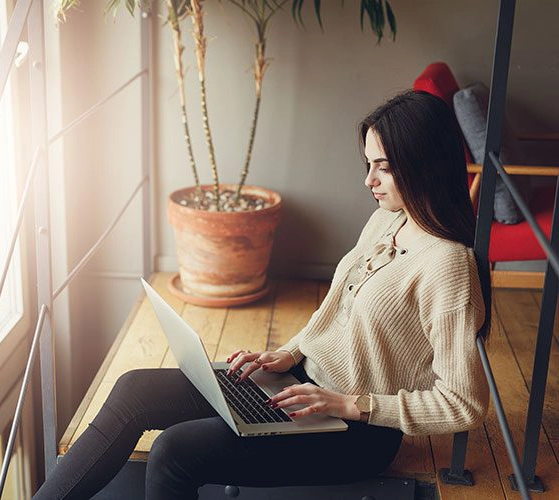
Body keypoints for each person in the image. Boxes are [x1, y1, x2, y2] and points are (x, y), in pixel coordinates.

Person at [34, 89, 491, 499]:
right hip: (299, 387)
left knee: (174, 452)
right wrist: (289, 355)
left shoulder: (447, 264)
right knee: (135, 388)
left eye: (383, 167)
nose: (368, 180)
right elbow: (338, 311)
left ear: (423, 164)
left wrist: (350, 405)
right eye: (368, 164)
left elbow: (464, 403)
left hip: (353, 433)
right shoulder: (389, 219)